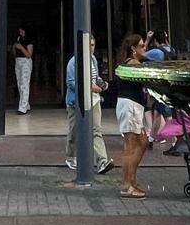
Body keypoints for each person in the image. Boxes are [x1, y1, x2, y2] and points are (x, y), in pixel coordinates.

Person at [64, 34, 113, 175]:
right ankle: (71, 156)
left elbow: (95, 76)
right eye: (88, 45)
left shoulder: (93, 59)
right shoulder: (73, 62)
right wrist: (90, 87)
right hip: (76, 101)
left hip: (94, 99)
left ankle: (102, 161)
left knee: (96, 130)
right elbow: (71, 83)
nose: (91, 48)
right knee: (74, 130)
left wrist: (101, 84)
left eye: (92, 45)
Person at [115, 32, 149, 197]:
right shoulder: (134, 64)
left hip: (132, 105)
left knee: (142, 141)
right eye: (142, 45)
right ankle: (127, 185)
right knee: (130, 146)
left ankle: (132, 179)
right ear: (133, 49)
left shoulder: (130, 63)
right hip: (130, 106)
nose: (145, 48)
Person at [12, 27, 33, 114]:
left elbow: (29, 54)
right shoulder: (17, 39)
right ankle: (26, 104)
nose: (20, 32)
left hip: (25, 62)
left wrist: (21, 48)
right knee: (19, 83)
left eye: (22, 30)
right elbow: (13, 53)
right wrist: (14, 48)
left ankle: (22, 107)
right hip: (18, 61)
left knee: (24, 83)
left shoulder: (28, 40)